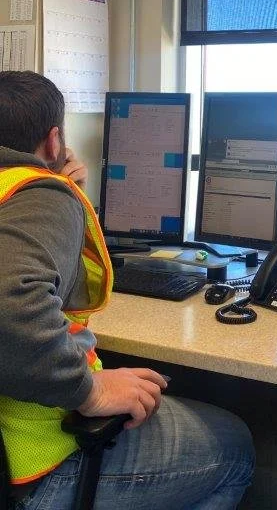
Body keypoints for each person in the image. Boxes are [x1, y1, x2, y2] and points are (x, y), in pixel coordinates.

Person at [0, 71, 254, 510]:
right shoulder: (39, 194)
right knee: (234, 448)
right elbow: (8, 306)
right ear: (55, 139)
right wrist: (91, 391)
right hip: (35, 461)